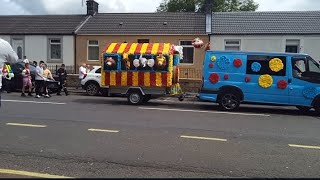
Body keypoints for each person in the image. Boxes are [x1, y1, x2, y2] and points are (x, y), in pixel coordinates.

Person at [0, 38, 19, 107]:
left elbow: (9, 72)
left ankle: (7, 89)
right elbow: (14, 59)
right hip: (4, 78)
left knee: (7, 83)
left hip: (6, 77)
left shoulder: (7, 66)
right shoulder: (4, 44)